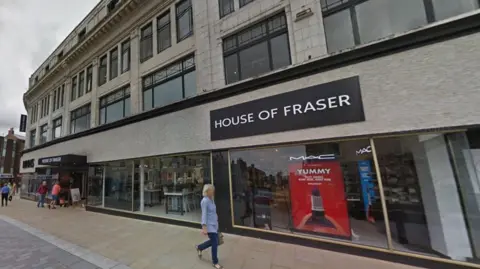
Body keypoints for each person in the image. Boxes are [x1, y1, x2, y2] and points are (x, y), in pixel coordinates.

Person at [196, 184, 223, 269]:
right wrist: (204, 227)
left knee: (213, 241)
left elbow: (213, 212)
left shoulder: (211, 200)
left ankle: (199, 247)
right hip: (209, 225)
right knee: (214, 243)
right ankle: (215, 262)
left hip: (214, 224)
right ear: (207, 191)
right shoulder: (205, 201)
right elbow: (204, 214)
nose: (213, 191)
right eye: (212, 190)